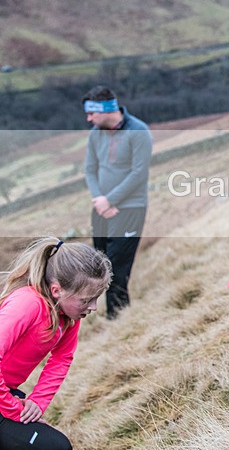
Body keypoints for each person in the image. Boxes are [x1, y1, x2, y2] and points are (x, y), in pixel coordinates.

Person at [0, 237, 112, 449]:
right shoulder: (27, 304)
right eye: (87, 300)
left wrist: (38, 402)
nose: (94, 307)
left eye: (96, 298)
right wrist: (13, 409)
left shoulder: (67, 316)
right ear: (56, 290)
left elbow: (62, 358)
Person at [83, 85, 152, 319]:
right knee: (100, 268)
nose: (89, 118)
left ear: (105, 110)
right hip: (100, 209)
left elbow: (139, 173)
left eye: (92, 113)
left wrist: (111, 200)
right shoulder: (95, 134)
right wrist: (101, 201)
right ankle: (109, 315)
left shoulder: (139, 131)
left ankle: (119, 320)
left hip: (130, 209)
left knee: (117, 268)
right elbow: (90, 170)